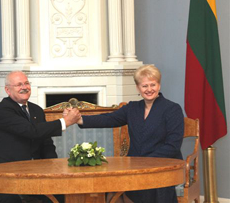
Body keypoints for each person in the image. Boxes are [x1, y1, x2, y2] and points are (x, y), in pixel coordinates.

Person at [66, 65, 184, 203]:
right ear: (138, 88)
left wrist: (145, 162)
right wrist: (79, 119)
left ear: (159, 85)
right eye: (145, 85)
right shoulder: (132, 108)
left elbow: (173, 146)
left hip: (162, 167)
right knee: (111, 189)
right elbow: (109, 118)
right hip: (134, 167)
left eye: (153, 84)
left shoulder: (172, 109)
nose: (149, 89)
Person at [0, 71, 81, 203]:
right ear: (8, 90)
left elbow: (46, 142)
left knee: (60, 194)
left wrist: (54, 170)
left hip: (31, 173)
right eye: (18, 84)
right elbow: (31, 131)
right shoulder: (2, 110)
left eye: (26, 83)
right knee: (12, 200)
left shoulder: (37, 110)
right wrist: (65, 121)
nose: (24, 87)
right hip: (0, 174)